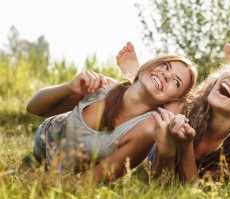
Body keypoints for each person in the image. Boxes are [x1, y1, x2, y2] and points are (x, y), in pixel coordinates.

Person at [116, 42, 230, 180]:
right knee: (164, 108)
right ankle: (135, 76)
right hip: (153, 141)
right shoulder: (182, 109)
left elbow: (193, 190)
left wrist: (184, 145)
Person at [26, 52, 198, 183]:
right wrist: (70, 88)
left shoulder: (145, 130)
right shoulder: (103, 86)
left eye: (176, 82)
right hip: (46, 141)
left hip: (66, 171)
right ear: (149, 65)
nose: (166, 75)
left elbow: (92, 180)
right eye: (166, 66)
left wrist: (54, 184)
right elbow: (33, 108)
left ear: (172, 100)